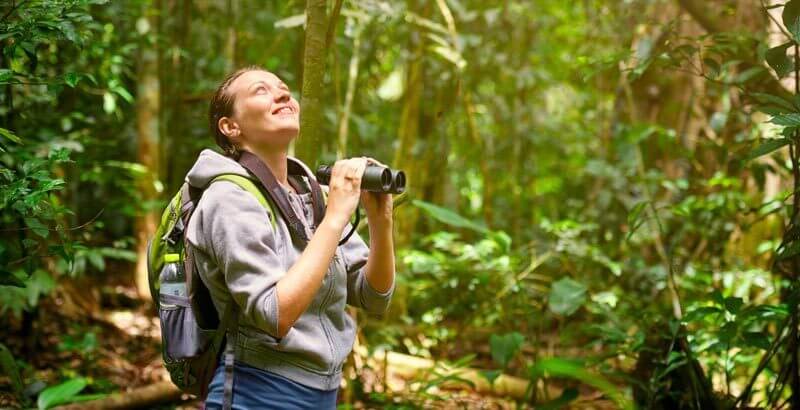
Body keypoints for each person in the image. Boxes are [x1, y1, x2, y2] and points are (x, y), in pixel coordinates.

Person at [184, 65, 396, 409]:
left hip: (323, 392)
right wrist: (337, 215)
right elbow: (274, 315)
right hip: (257, 391)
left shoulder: (310, 193)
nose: (283, 94)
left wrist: (381, 220)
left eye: (283, 88)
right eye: (261, 91)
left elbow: (374, 297)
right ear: (230, 127)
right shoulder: (228, 197)